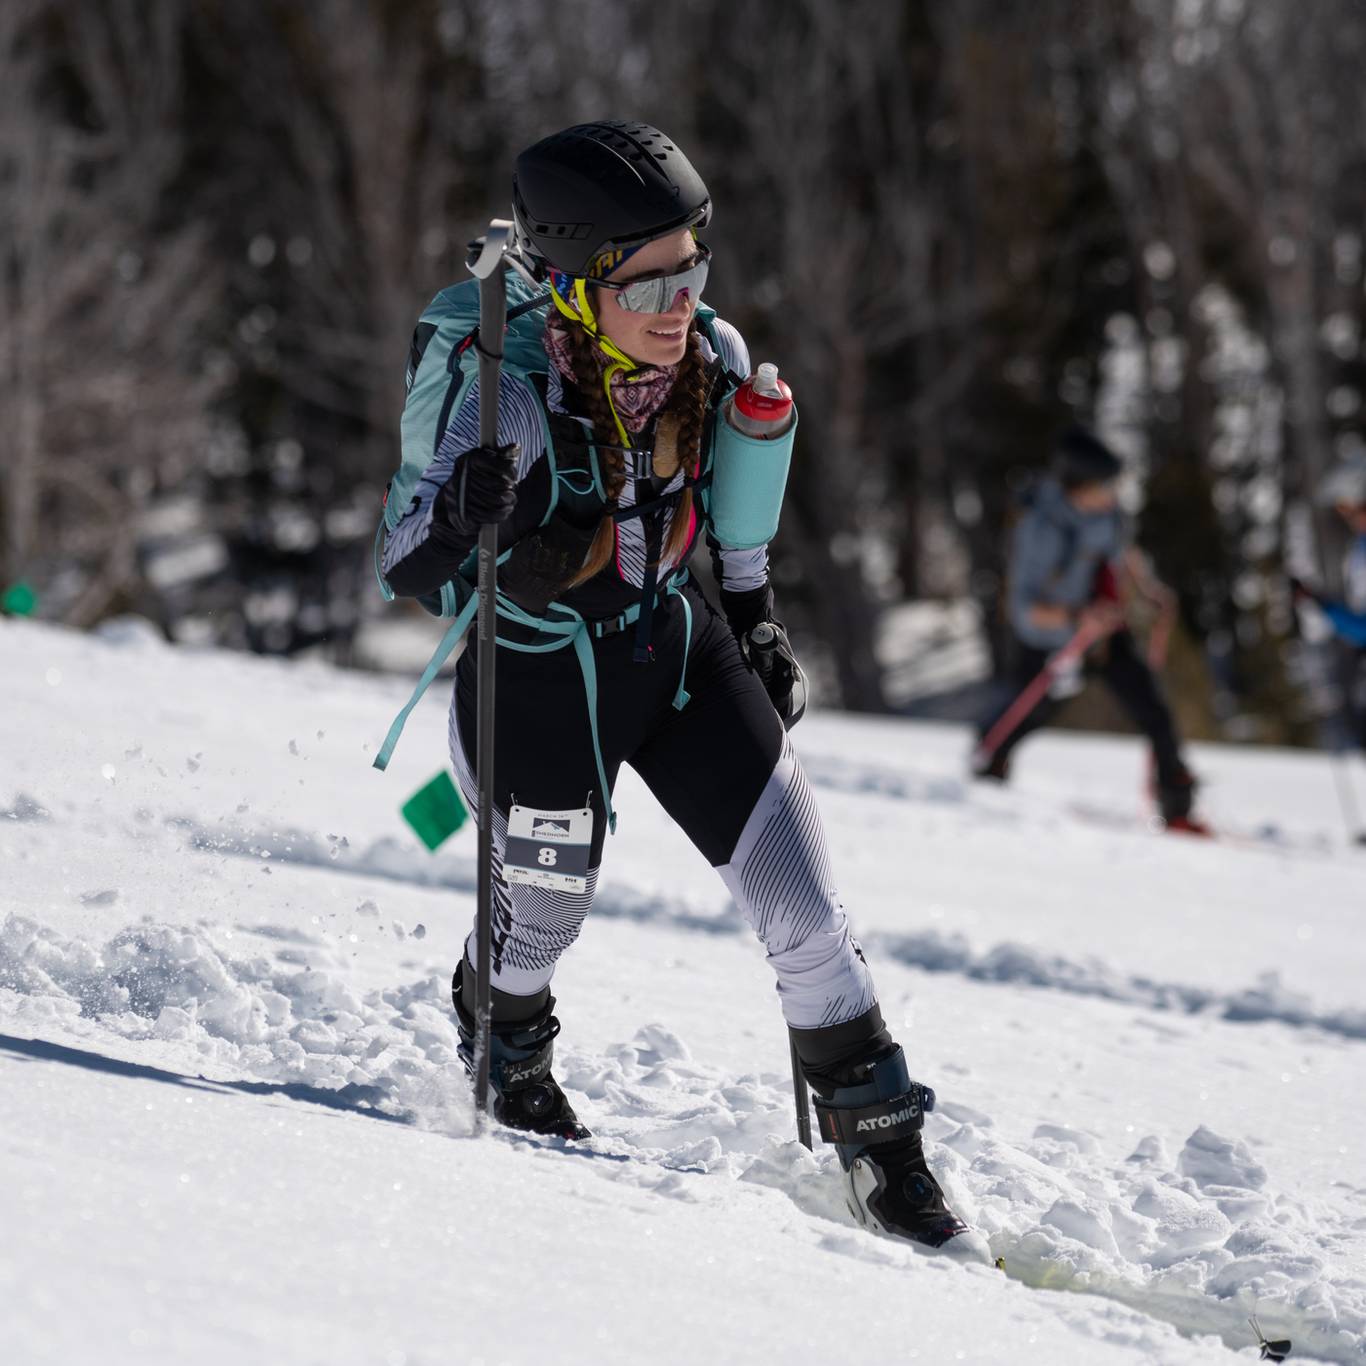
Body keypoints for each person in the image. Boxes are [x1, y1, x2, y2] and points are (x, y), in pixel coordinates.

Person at [381, 121, 981, 1255]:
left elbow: (735, 500)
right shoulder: (503, 391)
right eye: (646, 278)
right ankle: (503, 1036)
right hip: (540, 675)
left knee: (804, 904)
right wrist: (462, 512)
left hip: (669, 647)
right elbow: (401, 564)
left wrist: (754, 619)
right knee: (542, 923)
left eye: (690, 265)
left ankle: (884, 1148)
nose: (678, 301)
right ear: (568, 286)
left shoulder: (707, 354)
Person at [972, 427, 1200, 829]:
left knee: (1154, 710)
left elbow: (1119, 551)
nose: (1115, 493)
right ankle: (987, 769)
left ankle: (1178, 805)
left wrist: (1147, 589)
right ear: (1077, 487)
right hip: (1053, 641)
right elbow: (1023, 609)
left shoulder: (1108, 512)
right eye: (1106, 484)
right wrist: (1077, 620)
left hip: (1106, 632)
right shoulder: (1040, 530)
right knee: (1032, 711)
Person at [1291, 458, 1366, 748]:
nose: (1347, 517)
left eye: (1351, 508)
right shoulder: (1359, 549)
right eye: (1342, 510)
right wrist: (1319, 602)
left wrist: (1324, 607)